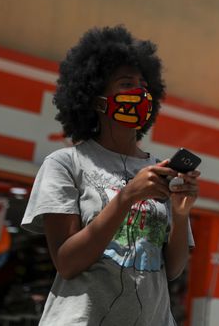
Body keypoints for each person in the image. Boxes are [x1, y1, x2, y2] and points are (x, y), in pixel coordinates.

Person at [22, 26, 199, 325]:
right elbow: (67, 262)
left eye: (144, 86)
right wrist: (128, 196)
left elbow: (171, 271)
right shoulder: (65, 164)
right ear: (95, 98)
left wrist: (181, 216)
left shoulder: (159, 170)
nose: (140, 93)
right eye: (126, 83)